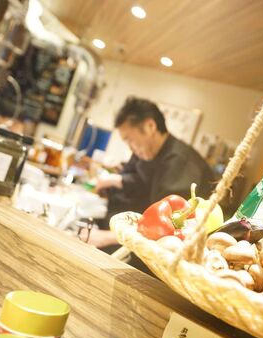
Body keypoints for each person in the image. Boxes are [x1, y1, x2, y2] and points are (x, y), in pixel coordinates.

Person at [86, 97, 215, 252]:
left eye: (129, 140)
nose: (130, 147)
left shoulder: (179, 162)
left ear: (150, 126)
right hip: (133, 233)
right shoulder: (147, 153)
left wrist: (106, 237)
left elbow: (168, 229)